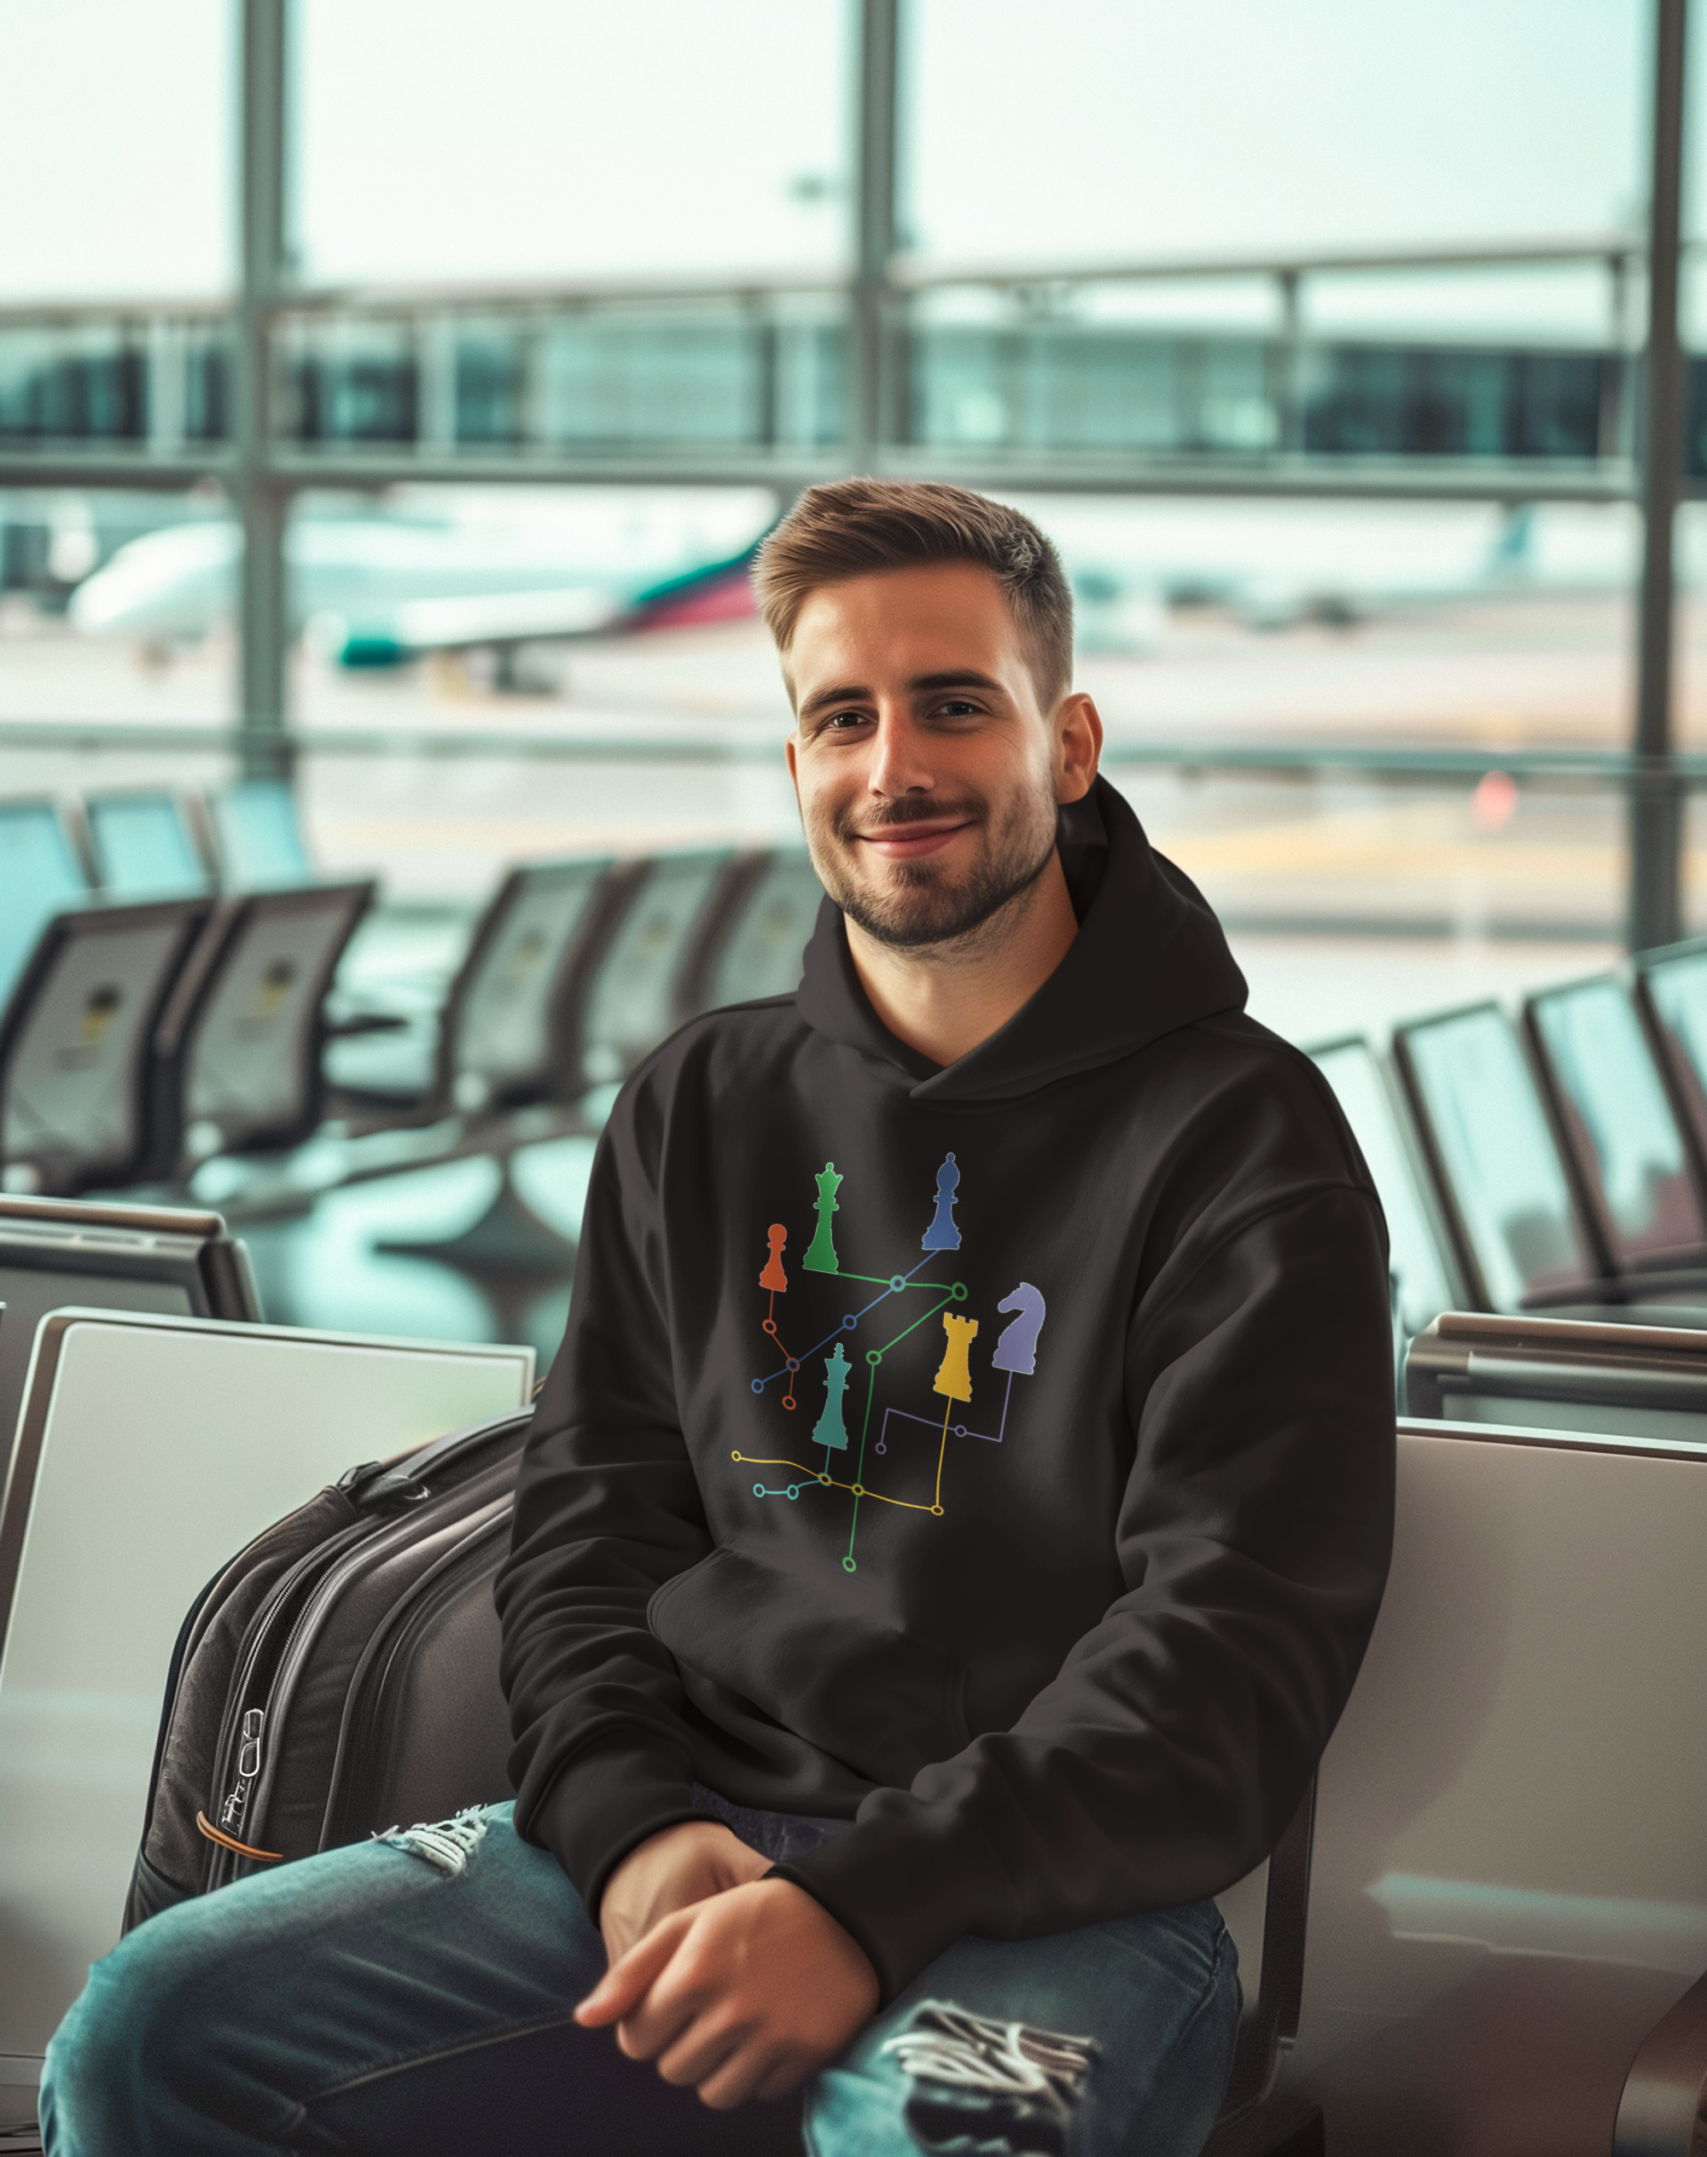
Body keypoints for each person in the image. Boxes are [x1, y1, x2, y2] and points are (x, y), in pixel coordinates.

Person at [42, 479, 1395, 2157]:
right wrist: (629, 1833)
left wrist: (859, 1911)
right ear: (798, 767)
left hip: (1061, 1895)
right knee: (150, 2034)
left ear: (1067, 743)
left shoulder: (1243, 1138)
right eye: (842, 717)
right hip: (671, 1837)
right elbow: (586, 1520)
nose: (892, 766)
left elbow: (1228, 1652)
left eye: (952, 704)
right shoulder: (702, 1097)